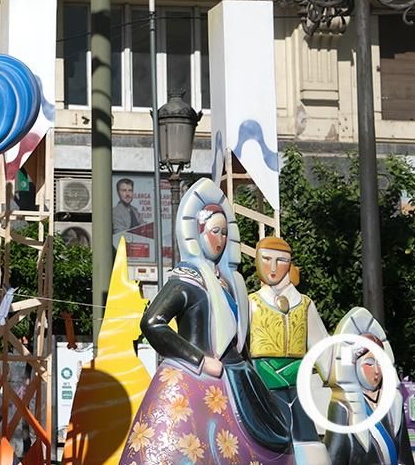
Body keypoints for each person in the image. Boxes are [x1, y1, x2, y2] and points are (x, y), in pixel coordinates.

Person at [121, 178, 292, 464]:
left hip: (239, 379)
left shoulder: (230, 283)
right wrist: (199, 360)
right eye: (214, 231)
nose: (220, 239)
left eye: (224, 233)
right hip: (201, 379)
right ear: (198, 233)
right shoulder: (188, 279)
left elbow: (240, 338)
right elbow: (152, 322)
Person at [248, 236, 331, 462]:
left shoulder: (303, 303)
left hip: (299, 384)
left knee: (307, 440)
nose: (273, 267)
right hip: (265, 384)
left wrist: (336, 378)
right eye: (266, 259)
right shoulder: (250, 303)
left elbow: (322, 346)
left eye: (281, 260)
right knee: (271, 441)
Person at [325, 308, 413, 464]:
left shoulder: (393, 403)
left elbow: (404, 454)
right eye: (370, 363)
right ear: (355, 364)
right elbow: (335, 455)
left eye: (380, 363)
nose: (377, 371)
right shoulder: (343, 406)